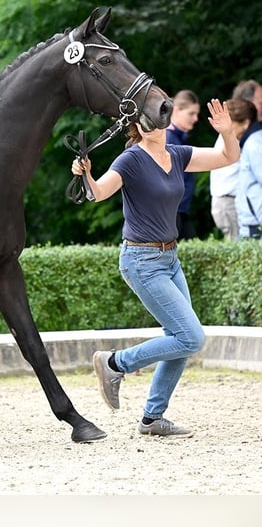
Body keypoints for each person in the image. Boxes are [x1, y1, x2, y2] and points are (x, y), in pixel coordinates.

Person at [71, 98, 239, 437]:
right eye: (147, 119)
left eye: (159, 117)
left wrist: (227, 131)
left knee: (179, 338)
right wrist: (86, 173)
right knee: (191, 336)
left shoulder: (177, 155)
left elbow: (227, 157)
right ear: (137, 127)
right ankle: (115, 363)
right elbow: (100, 192)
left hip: (170, 259)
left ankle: (152, 418)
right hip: (141, 261)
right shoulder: (131, 159)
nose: (155, 123)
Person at [209, 80, 262, 239]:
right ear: (249, 104)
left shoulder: (241, 134)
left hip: (232, 201)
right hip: (230, 202)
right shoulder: (238, 135)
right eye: (260, 102)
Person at [167, 90, 201, 240]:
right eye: (191, 113)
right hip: (171, 211)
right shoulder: (168, 137)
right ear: (176, 110)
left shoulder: (177, 137)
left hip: (178, 210)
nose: (195, 119)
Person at [232, 98, 262, 238]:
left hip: (255, 226)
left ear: (245, 123)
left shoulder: (254, 145)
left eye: (230, 124)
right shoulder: (252, 142)